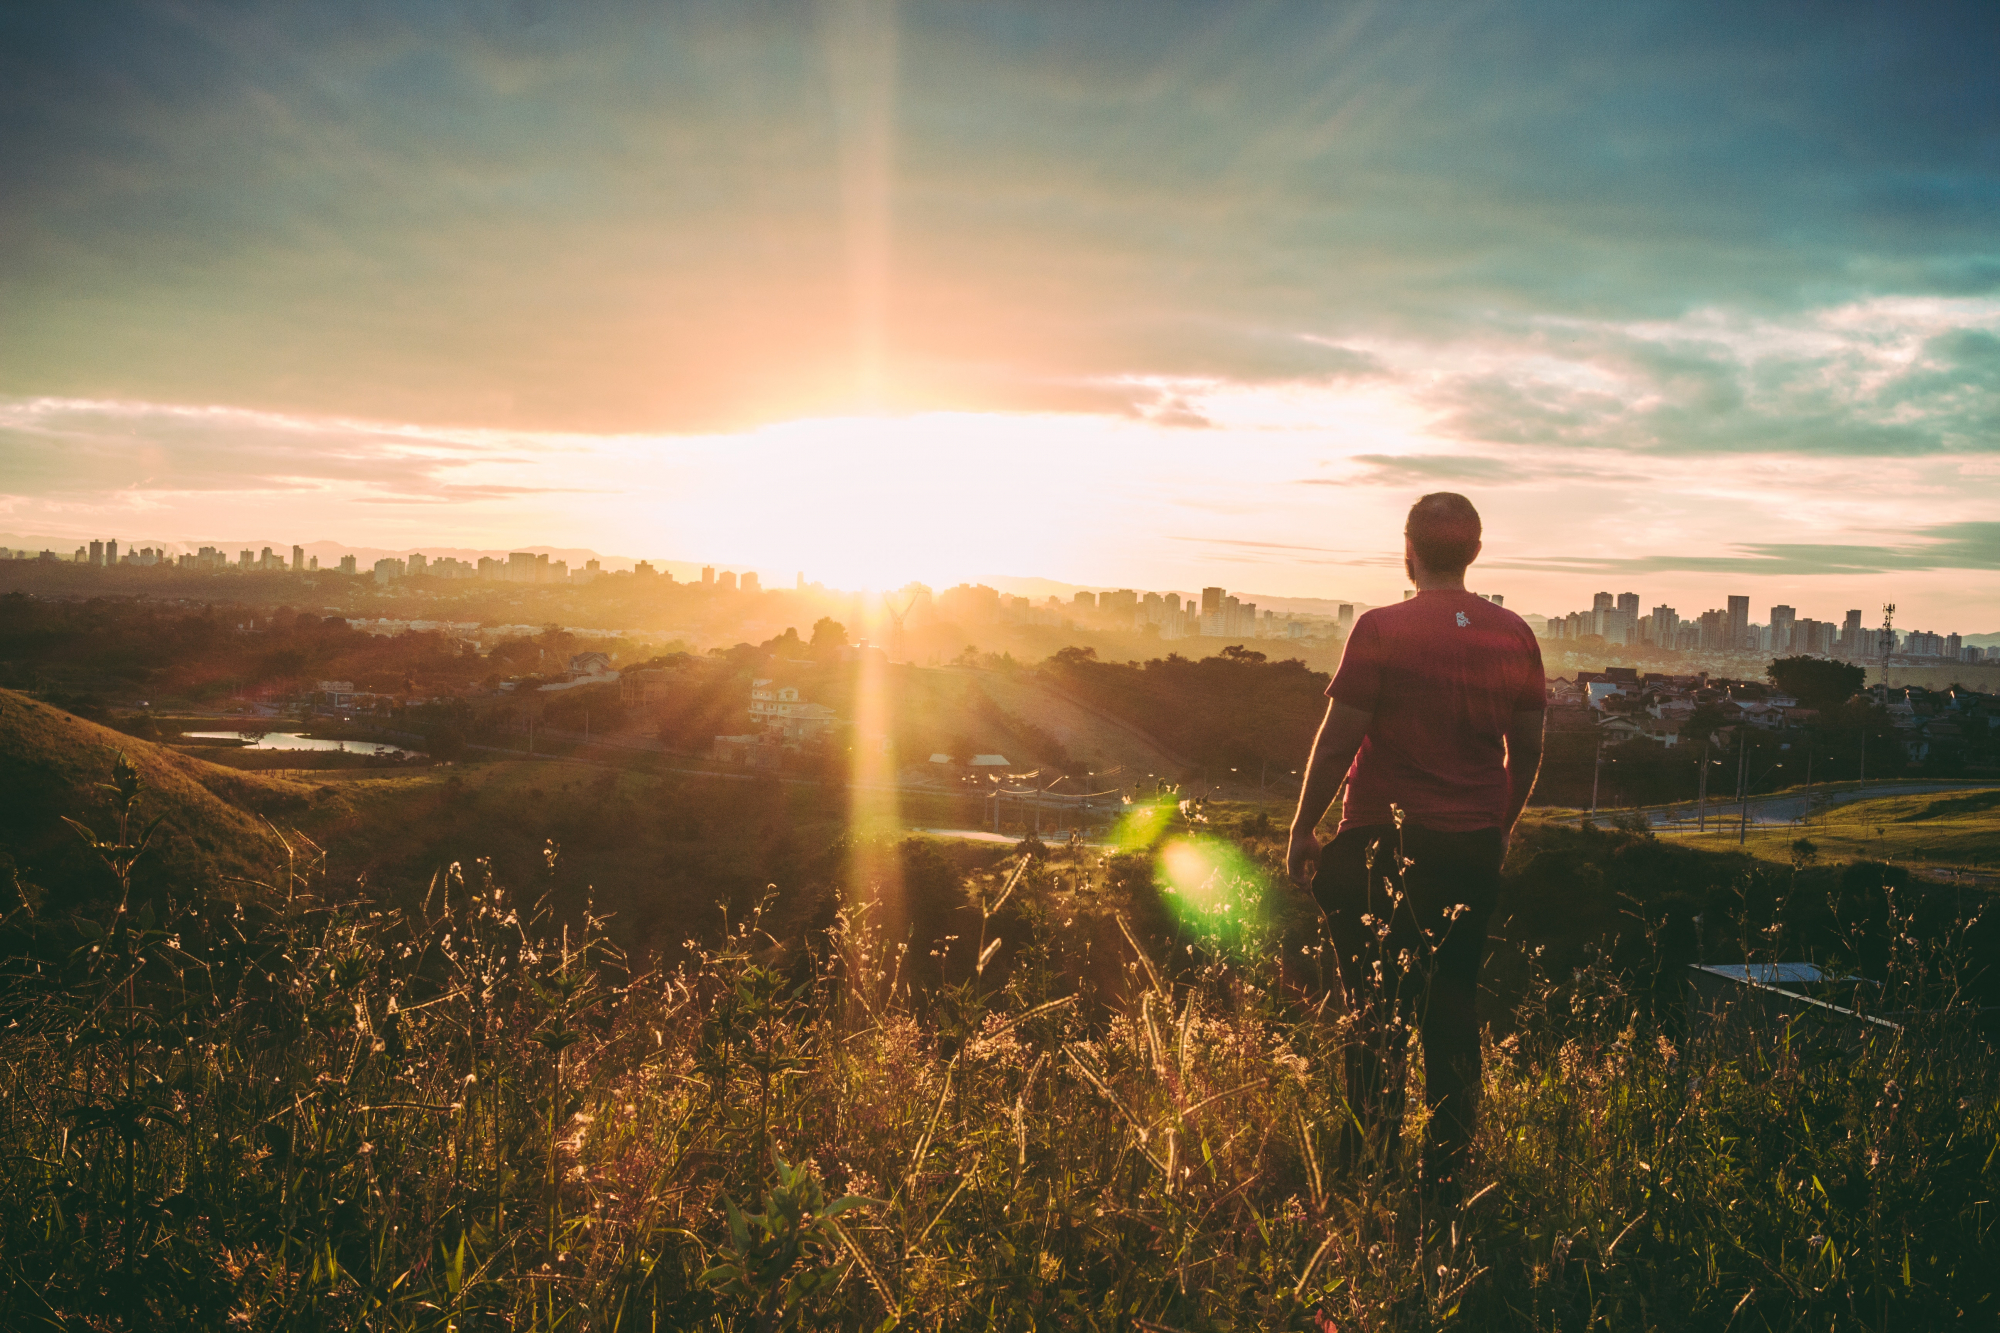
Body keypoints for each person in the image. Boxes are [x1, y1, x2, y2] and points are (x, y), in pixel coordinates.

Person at [1285, 492, 1545, 1199]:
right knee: (1453, 1012)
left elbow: (1339, 736)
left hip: (1380, 846)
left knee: (1374, 1015)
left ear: (1409, 548)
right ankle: (1446, 1184)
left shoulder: (1380, 627)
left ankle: (1363, 1178)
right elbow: (1527, 751)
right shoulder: (1512, 632)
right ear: (1476, 550)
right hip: (1469, 851)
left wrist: (1304, 825)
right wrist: (1499, 827)